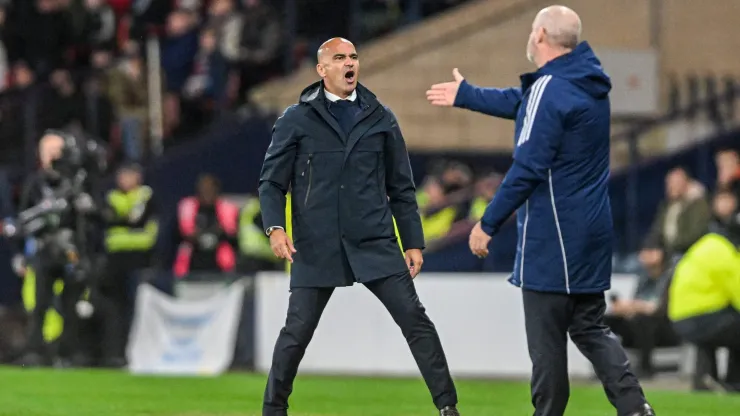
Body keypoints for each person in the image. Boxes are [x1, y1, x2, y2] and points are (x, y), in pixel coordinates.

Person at [426, 5, 654, 416]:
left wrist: (487, 222)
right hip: (590, 230)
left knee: (547, 343)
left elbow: (528, 166)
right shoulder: (583, 82)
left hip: (555, 236)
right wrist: (468, 95)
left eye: (533, 31)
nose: (530, 38)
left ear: (542, 35)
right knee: (588, 326)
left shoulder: (551, 87)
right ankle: (636, 408)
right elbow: (525, 101)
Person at [258, 38, 459, 416]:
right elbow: (271, 183)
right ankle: (273, 410)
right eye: (339, 58)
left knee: (416, 320)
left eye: (353, 57)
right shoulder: (295, 119)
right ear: (322, 70)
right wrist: (275, 228)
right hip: (316, 245)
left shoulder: (381, 116)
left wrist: (413, 241)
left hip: (374, 241)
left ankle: (448, 407)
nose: (349, 63)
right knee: (296, 333)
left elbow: (401, 186)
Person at [668, 189, 740, 392]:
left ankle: (707, 378)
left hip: (679, 316)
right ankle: (735, 382)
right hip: (701, 318)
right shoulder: (728, 254)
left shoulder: (707, 244)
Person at [99, 163, 158, 366]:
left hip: (139, 259)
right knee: (114, 309)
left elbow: (138, 221)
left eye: (128, 175)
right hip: (115, 260)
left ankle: (136, 352)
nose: (123, 180)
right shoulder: (111, 197)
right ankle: (115, 354)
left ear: (138, 177)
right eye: (121, 175)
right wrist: (125, 219)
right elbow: (107, 219)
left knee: (136, 307)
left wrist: (119, 219)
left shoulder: (145, 196)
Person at [604, 247, 680, 378]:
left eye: (651, 250)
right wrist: (626, 307)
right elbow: (636, 302)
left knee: (643, 321)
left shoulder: (670, 277)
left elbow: (660, 309)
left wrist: (638, 306)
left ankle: (646, 368)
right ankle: (606, 366)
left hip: (666, 326)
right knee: (607, 319)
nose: (645, 255)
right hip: (639, 322)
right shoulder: (644, 277)